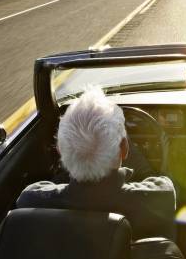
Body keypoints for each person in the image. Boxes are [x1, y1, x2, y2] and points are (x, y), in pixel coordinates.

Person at [16, 86, 176, 239]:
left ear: (60, 150)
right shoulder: (161, 198)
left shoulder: (31, 201)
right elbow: (164, 183)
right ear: (125, 148)